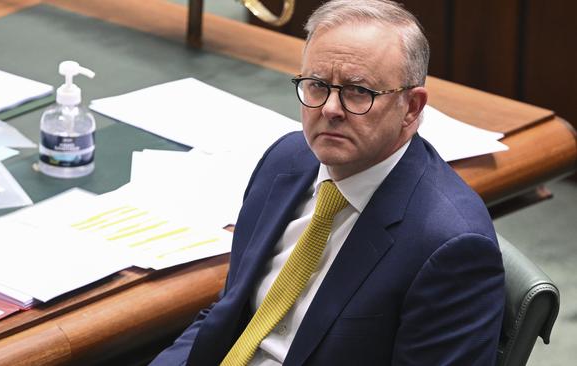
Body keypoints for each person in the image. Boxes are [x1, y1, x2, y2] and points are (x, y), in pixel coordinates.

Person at [151, 0, 505, 364]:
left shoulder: (451, 246)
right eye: (317, 85)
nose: (330, 109)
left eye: (358, 92)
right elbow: (228, 314)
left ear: (411, 108)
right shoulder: (284, 160)